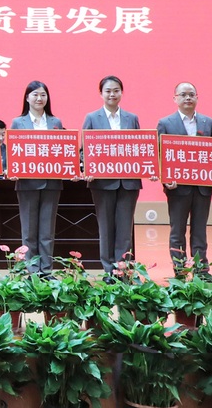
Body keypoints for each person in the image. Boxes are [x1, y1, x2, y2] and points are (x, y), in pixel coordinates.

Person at [81, 75, 142, 275]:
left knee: (125, 229)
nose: (112, 94)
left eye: (116, 90)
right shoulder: (92, 118)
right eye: (108, 91)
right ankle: (109, 270)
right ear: (101, 94)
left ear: (121, 93)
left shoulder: (131, 118)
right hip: (102, 183)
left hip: (128, 183)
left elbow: (141, 148)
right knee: (106, 228)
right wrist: (86, 169)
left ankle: (122, 270)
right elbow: (84, 150)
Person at [156, 82, 212, 276]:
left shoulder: (209, 123)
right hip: (177, 188)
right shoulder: (165, 123)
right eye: (183, 94)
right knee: (178, 231)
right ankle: (180, 271)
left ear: (197, 97)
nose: (188, 98)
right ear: (175, 98)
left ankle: (201, 270)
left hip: (202, 187)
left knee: (200, 231)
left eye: (191, 94)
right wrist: (165, 179)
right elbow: (159, 154)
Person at [9, 80, 65, 274]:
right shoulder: (18, 123)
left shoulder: (55, 122)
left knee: (47, 231)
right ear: (27, 98)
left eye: (43, 95)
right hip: (27, 184)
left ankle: (47, 270)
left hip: (51, 184)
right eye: (35, 94)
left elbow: (62, 151)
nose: (39, 98)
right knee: (29, 232)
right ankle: (32, 270)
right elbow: (13, 152)